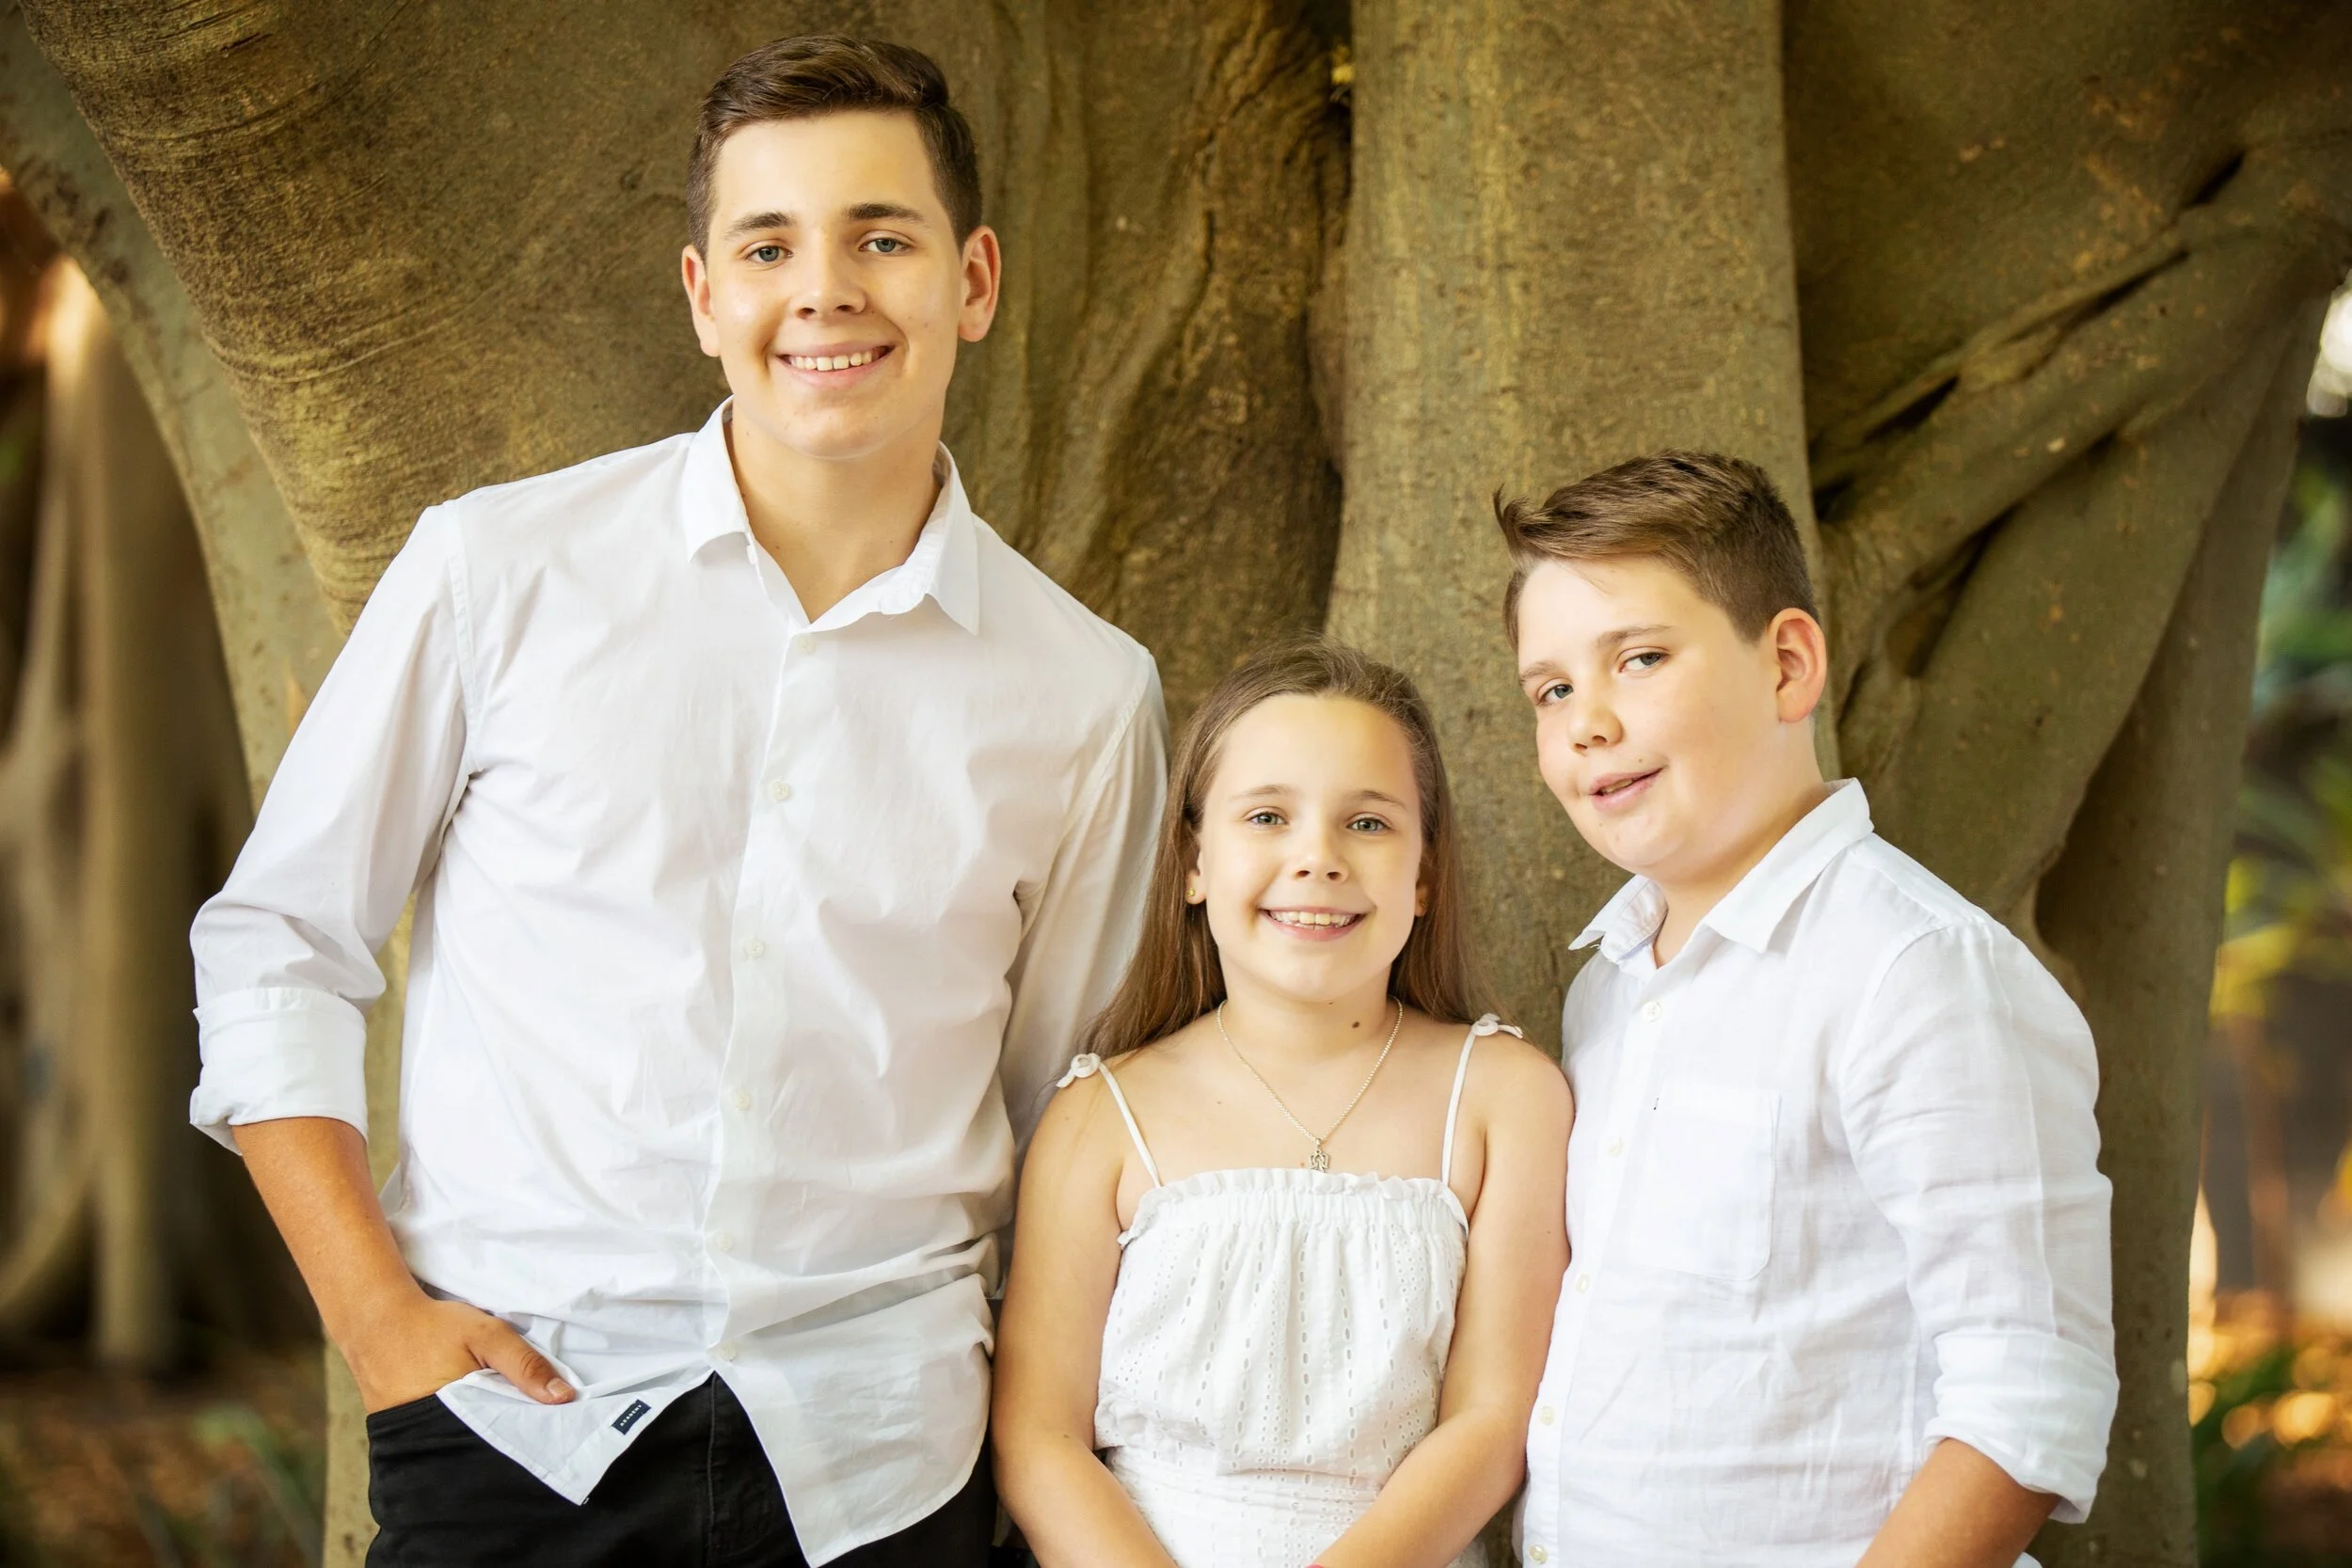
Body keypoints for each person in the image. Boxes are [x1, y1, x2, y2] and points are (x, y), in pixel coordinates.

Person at [186, 35, 1166, 1568]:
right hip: (510, 1436)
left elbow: (1066, 1111)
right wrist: (377, 1323)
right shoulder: (496, 571)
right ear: (706, 296)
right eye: (770, 244)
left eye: (881, 238)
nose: (825, 289)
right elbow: (276, 946)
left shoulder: (1088, 691)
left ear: (971, 281)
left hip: (886, 1469)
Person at [1500, 451, 2119, 1567]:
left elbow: (2025, 1400)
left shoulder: (1915, 971)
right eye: (1550, 690)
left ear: (1787, 665)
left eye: (1637, 658)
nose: (1585, 721)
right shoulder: (1606, 988)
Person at [993, 639, 1571, 1568]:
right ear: (1192, 861)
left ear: (1424, 874)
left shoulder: (1502, 1096)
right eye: (1266, 815)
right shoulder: (1101, 1114)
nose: (1318, 858)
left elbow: (1490, 1417)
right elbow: (1038, 1438)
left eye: (1369, 824)